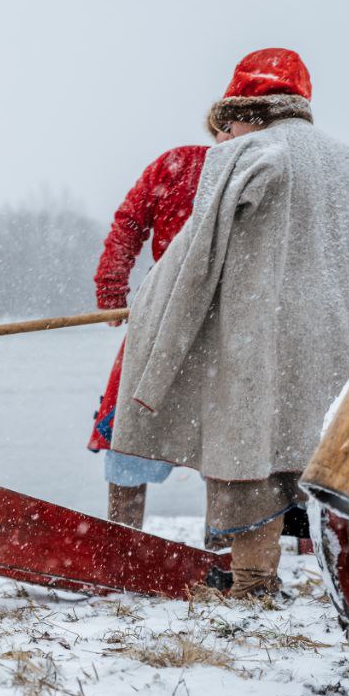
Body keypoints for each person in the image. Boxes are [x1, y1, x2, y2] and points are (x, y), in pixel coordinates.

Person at [111, 48, 349, 598]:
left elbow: (194, 262)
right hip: (342, 344)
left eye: (228, 120)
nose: (224, 133)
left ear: (249, 109)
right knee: (333, 454)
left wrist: (156, 319)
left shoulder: (247, 155)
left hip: (257, 338)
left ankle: (253, 583)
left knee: (249, 454)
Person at [90, 120, 233, 528]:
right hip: (163, 312)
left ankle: (223, 550)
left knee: (224, 438)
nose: (230, 137)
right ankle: (123, 541)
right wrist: (112, 289)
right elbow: (130, 223)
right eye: (224, 127)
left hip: (232, 321)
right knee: (130, 424)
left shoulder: (261, 169)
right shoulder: (179, 164)